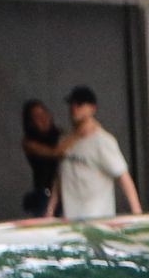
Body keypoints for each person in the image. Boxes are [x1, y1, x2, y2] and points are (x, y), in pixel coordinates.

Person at [55, 86, 140, 219]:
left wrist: (137, 214)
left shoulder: (102, 141)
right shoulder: (65, 140)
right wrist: (50, 209)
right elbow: (59, 176)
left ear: (92, 108)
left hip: (97, 218)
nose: (74, 108)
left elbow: (123, 176)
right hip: (70, 217)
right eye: (72, 104)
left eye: (79, 104)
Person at [19, 99, 63, 217]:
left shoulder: (61, 135)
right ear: (30, 122)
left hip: (65, 195)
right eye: (37, 116)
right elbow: (54, 152)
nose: (43, 118)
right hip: (45, 196)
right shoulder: (29, 143)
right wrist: (76, 135)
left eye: (44, 113)